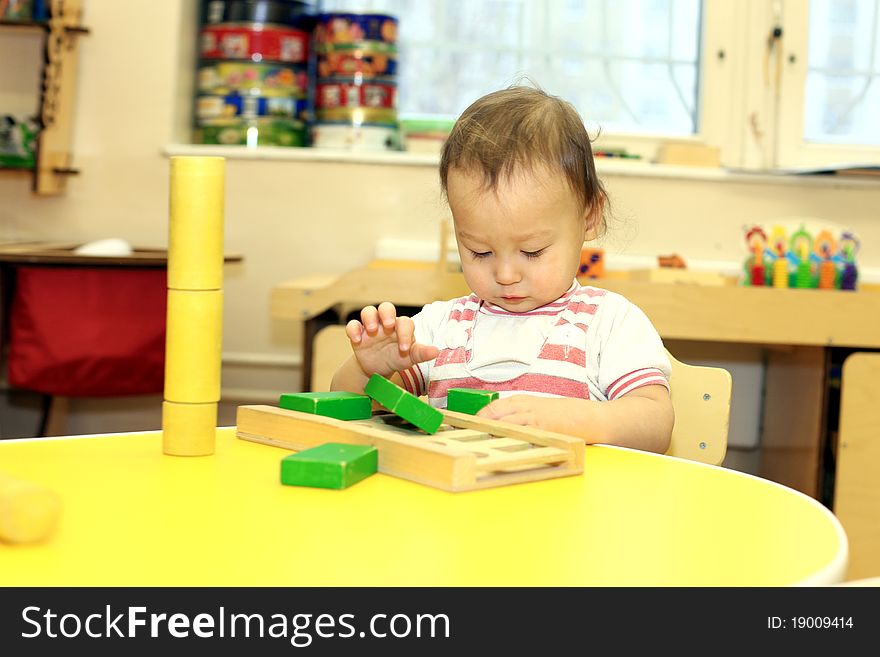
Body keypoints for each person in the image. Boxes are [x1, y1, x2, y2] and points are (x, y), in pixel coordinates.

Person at [331, 85, 674, 453]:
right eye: (480, 252)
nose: (506, 274)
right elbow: (351, 410)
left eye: (532, 251)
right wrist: (368, 371)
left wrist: (571, 420)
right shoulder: (440, 328)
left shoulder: (608, 323)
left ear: (589, 216)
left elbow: (655, 423)